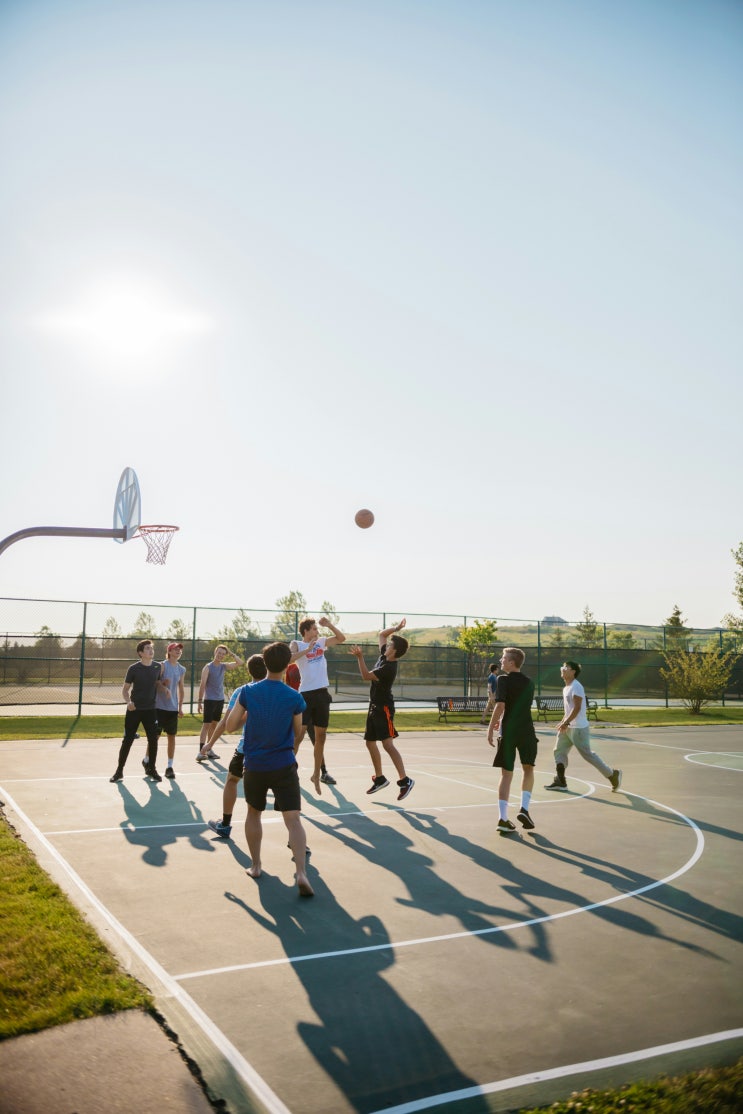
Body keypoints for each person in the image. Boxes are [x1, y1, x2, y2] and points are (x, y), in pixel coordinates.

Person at [225, 641, 313, 897]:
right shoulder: (294, 696)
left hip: (255, 764)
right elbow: (297, 732)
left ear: (264, 663)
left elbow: (230, 726)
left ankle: (256, 866)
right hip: (284, 763)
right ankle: (301, 872)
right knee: (293, 819)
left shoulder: (248, 692)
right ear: (288, 665)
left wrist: (249, 714)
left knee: (254, 813)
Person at [348, 618, 414, 802]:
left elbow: (365, 676)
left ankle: (405, 780)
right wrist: (397, 628)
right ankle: (380, 778)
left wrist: (360, 657)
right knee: (370, 742)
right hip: (374, 706)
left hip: (384, 708)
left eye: (390, 645)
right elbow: (382, 634)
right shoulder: (384, 656)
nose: (387, 645)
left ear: (394, 651)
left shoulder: (388, 668)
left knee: (387, 744)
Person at [207, 654, 268, 838]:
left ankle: (225, 824)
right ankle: (296, 838)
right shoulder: (280, 690)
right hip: (275, 750)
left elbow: (227, 723)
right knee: (282, 793)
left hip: (247, 749)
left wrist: (209, 743)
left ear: (249, 671)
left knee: (232, 780)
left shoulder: (243, 691)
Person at [546, 661, 622, 791]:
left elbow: (577, 707)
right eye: (562, 667)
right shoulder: (566, 688)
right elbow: (568, 709)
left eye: (566, 667)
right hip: (568, 726)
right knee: (559, 751)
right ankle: (560, 781)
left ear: (573, 672)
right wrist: (563, 721)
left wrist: (566, 722)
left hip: (579, 728)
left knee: (587, 755)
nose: (562, 669)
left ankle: (612, 775)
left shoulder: (576, 686)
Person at [290, 616, 346, 791]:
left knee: (321, 737)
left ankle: (317, 774)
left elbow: (341, 638)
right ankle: (288, 770)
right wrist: (307, 649)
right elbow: (289, 659)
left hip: (322, 694)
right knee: (298, 736)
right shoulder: (297, 644)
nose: (317, 631)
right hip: (305, 695)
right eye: (314, 628)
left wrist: (329, 624)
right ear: (306, 631)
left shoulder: (321, 642)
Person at [486, 646, 538, 833]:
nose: (501, 660)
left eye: (504, 658)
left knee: (506, 774)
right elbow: (518, 706)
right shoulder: (530, 682)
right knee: (528, 769)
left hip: (509, 731)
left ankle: (503, 818)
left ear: (511, 662)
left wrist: (491, 727)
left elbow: (501, 705)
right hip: (527, 730)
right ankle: (524, 809)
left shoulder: (503, 679)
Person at [110, 640, 164, 783]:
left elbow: (157, 684)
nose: (151, 650)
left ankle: (152, 769)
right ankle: (119, 771)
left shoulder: (157, 667)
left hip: (151, 710)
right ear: (140, 653)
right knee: (127, 740)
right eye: (147, 648)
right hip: (134, 710)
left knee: (153, 740)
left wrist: (165, 688)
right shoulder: (133, 668)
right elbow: (125, 690)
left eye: (151, 648)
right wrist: (129, 702)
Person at [197, 644, 244, 761]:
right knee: (206, 725)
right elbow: (202, 684)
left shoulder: (224, 666)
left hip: (219, 700)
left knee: (214, 724)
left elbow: (240, 663)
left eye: (223, 654)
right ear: (215, 653)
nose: (220, 655)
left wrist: (231, 653)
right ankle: (201, 751)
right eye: (219, 653)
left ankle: (209, 749)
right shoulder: (207, 667)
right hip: (209, 700)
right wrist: (199, 701)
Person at [154, 642, 186, 779]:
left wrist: (180, 707)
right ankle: (148, 761)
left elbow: (181, 689)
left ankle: (169, 766)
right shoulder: (162, 666)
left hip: (172, 709)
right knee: (155, 737)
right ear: (169, 651)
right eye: (175, 649)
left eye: (180, 649)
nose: (178, 651)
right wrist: (163, 686)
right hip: (159, 707)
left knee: (171, 737)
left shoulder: (181, 669)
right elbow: (155, 682)